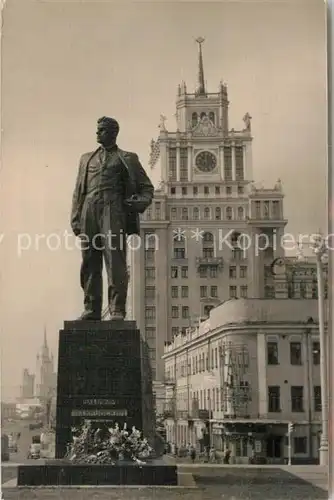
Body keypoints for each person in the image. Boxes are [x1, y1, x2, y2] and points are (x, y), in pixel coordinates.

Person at [71, 117, 154, 320]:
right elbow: (78, 191)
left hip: (113, 210)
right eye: (97, 130)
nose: (97, 134)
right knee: (89, 261)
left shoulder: (127, 158)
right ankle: (91, 308)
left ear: (113, 133)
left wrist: (138, 203)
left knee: (115, 260)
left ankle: (117, 308)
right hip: (89, 211)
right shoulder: (86, 159)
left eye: (101, 130)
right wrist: (75, 216)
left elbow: (147, 188)